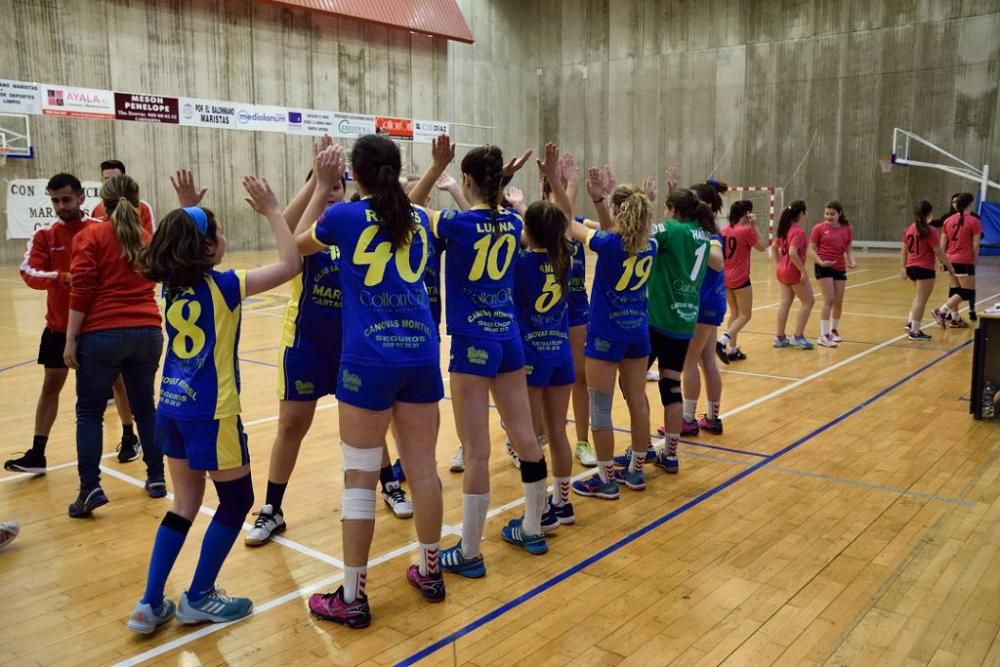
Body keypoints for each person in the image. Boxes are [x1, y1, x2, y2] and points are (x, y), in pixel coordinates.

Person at [127, 175, 299, 634]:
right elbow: (290, 262)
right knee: (238, 498)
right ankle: (199, 596)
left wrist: (187, 210)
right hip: (212, 413)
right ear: (205, 248)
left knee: (185, 503)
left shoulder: (169, 286)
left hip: (172, 407)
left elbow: (182, 241)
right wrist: (273, 211)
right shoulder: (225, 286)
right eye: (217, 233)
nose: (224, 239)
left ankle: (148, 604)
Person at [298, 135, 445, 627]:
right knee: (423, 470)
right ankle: (430, 571)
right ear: (396, 169)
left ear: (354, 175)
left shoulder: (343, 217)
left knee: (359, 478)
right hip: (421, 356)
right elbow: (406, 209)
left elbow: (297, 244)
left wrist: (321, 187)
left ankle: (353, 596)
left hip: (367, 362)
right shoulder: (420, 218)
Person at [245, 144, 413, 549]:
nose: (334, 193)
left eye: (340, 186)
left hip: (354, 344)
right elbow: (287, 234)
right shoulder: (311, 226)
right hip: (306, 344)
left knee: (369, 424)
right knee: (291, 426)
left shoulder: (354, 224)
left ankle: (389, 484)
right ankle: (272, 508)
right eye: (327, 187)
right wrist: (319, 185)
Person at [406, 135, 550, 569]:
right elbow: (492, 207)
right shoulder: (511, 223)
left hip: (472, 344)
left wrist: (435, 169)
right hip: (508, 339)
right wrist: (497, 181)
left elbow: (408, 208)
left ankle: (468, 551)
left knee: (476, 451)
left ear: (466, 180)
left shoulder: (455, 223)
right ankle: (533, 529)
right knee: (525, 437)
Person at [63, 175, 165, 517]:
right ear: (137, 202)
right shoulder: (145, 237)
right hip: (148, 331)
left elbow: (82, 291)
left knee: (89, 412)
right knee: (145, 409)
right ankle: (156, 477)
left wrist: (70, 338)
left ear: (100, 203)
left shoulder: (89, 236)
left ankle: (90, 488)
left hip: (103, 334)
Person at [558, 150, 655, 499]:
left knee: (600, 405)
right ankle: (636, 472)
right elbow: (617, 229)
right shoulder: (651, 245)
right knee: (638, 401)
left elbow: (567, 222)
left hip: (605, 335)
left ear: (617, 212)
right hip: (637, 334)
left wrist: (566, 184)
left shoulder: (608, 243)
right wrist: (603, 198)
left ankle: (605, 478)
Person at [5, 174, 99, 475]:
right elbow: (29, 272)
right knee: (50, 387)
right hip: (59, 328)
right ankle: (38, 453)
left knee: (117, 386)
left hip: (97, 328)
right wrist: (62, 278)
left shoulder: (100, 231)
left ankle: (128, 438)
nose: (61, 206)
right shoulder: (45, 235)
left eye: (66, 200)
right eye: (55, 201)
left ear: (81, 198)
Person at [638, 187, 722, 473]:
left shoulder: (670, 229)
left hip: (657, 318)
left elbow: (637, 235)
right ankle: (670, 455)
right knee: (671, 384)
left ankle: (643, 448)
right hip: (684, 322)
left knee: (633, 384)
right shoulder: (704, 232)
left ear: (673, 208)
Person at [514, 172, 577, 530]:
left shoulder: (521, 264)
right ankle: (563, 503)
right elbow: (562, 223)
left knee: (533, 437)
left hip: (532, 358)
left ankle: (539, 512)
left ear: (529, 231)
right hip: (561, 356)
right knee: (558, 431)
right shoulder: (565, 258)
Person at [92, 160, 159, 459]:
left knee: (139, 391)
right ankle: (130, 436)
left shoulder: (142, 210)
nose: (110, 181)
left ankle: (152, 454)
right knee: (120, 382)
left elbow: (151, 251)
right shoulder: (95, 218)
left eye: (114, 177)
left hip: (133, 314)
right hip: (113, 317)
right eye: (106, 178)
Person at [717, 200, 766, 362]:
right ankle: (723, 341)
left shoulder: (723, 230)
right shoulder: (746, 231)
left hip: (725, 276)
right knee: (745, 315)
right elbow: (762, 247)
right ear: (747, 214)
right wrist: (755, 226)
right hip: (740, 277)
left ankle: (733, 349)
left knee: (735, 313)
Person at [902, 201, 955, 340]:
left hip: (911, 266)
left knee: (918, 297)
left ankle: (910, 324)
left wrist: (903, 268)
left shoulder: (909, 228)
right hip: (924, 267)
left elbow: (904, 251)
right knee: (921, 299)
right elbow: (939, 252)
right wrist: (949, 266)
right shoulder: (929, 230)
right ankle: (915, 331)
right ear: (929, 214)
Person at [809, 201, 855, 347]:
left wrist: (851, 261)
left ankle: (833, 330)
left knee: (838, 301)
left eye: (832, 214)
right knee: (829, 300)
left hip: (839, 267)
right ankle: (823, 335)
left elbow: (848, 250)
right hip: (823, 266)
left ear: (839, 214)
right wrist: (821, 262)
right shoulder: (819, 228)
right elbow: (810, 249)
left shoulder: (847, 229)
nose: (829, 216)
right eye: (827, 213)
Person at [933, 193, 980, 328]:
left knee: (955, 290)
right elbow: (976, 244)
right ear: (969, 204)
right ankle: (941, 311)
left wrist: (942, 261)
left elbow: (942, 244)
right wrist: (974, 260)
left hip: (950, 259)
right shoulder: (973, 221)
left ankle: (955, 319)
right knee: (967, 291)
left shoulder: (948, 221)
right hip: (964, 260)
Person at [773, 201, 815, 350]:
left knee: (785, 303)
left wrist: (779, 263)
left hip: (782, 271)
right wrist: (803, 270)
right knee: (809, 301)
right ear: (801, 214)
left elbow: (773, 247)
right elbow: (792, 252)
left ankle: (779, 337)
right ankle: (798, 336)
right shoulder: (798, 232)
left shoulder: (785, 229)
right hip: (793, 272)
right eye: (806, 211)